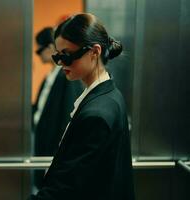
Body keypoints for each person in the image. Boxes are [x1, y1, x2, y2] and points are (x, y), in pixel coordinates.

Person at [27, 13, 135, 200]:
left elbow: (68, 189)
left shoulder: (97, 114)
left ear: (95, 52)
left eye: (67, 56)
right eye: (57, 56)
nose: (60, 63)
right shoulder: (109, 93)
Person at [33, 27, 84, 189]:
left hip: (53, 152)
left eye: (39, 50)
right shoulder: (50, 77)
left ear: (49, 48)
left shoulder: (65, 77)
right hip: (43, 147)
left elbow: (67, 118)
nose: (38, 55)